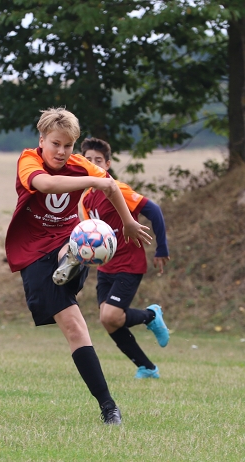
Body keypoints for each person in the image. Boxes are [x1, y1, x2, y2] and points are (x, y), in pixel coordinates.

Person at [7, 108, 152, 425]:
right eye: (56, 144)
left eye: (68, 146)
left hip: (67, 239)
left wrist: (127, 223)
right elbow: (45, 185)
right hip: (33, 253)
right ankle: (108, 405)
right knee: (75, 328)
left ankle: (72, 258)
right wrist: (91, 181)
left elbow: (113, 187)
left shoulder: (77, 164)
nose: (61, 152)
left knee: (81, 244)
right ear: (42, 140)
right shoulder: (28, 160)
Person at [78, 137, 170, 379]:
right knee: (109, 321)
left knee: (110, 315)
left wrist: (162, 248)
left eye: (98, 161)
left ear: (107, 165)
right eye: (88, 160)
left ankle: (151, 315)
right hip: (106, 268)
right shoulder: (86, 198)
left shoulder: (117, 189)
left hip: (129, 264)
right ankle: (147, 368)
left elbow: (154, 211)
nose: (93, 164)